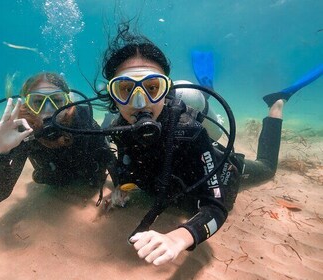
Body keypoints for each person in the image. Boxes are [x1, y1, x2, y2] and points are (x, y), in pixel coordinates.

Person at [100, 24, 322, 266]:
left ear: (166, 90)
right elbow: (121, 161)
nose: (140, 101)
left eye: (153, 88)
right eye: (125, 89)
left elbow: (216, 205)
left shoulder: (189, 131)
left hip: (216, 169)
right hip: (170, 187)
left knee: (267, 168)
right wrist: (120, 187)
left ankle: (277, 103)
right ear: (113, 95)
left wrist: (179, 237)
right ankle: (208, 90)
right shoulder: (114, 128)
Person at [0, 72, 111, 202]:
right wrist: (0, 151)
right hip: (57, 179)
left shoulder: (81, 118)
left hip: (88, 174)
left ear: (67, 102)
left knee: (104, 137)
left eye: (57, 100)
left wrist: (119, 187)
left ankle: (108, 120)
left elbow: (107, 156)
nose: (48, 110)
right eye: (38, 102)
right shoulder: (25, 131)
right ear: (28, 106)